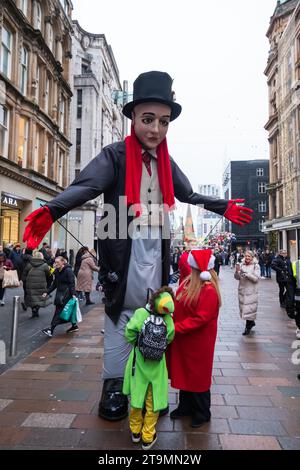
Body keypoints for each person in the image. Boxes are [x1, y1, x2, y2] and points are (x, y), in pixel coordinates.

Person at [23, 71, 253, 421]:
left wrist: (221, 206)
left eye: (163, 122)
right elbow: (86, 185)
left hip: (155, 251)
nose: (156, 130)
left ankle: (149, 390)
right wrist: (53, 208)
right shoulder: (114, 156)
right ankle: (113, 387)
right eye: (148, 120)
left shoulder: (166, 161)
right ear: (133, 117)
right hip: (122, 249)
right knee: (119, 321)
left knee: (154, 322)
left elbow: (186, 193)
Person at [167, 249, 221, 428]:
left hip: (198, 341)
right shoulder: (189, 282)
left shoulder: (209, 290)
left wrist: (176, 328)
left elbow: (200, 319)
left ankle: (202, 412)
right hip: (184, 338)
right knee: (185, 373)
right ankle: (186, 407)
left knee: (197, 376)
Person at [122, 287, 175, 450]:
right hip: (157, 366)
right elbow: (171, 336)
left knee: (137, 398)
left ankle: (136, 432)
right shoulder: (168, 318)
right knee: (153, 402)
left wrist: (138, 345)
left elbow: (129, 332)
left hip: (138, 362)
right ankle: (148, 436)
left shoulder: (140, 313)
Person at [41, 256, 77, 337]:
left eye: (57, 262)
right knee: (67, 311)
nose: (55, 264)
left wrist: (74, 294)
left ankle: (51, 330)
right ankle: (74, 326)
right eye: (55, 262)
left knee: (58, 312)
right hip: (60, 294)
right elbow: (54, 284)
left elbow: (72, 283)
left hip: (67, 295)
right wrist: (47, 292)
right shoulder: (57, 271)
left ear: (63, 262)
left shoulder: (68, 271)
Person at [234, 250, 260, 335]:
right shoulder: (241, 265)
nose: (247, 258)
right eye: (246, 256)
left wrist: (246, 274)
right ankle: (251, 323)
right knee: (244, 310)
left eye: (249, 256)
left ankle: (248, 327)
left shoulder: (256, 266)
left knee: (249, 310)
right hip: (242, 290)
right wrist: (237, 271)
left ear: (252, 257)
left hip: (251, 291)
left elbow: (256, 278)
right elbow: (237, 278)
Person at [22, 251, 51, 318]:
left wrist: (25, 282)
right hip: (41, 284)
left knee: (32, 298)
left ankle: (33, 310)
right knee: (39, 298)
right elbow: (48, 275)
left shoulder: (29, 264)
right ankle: (37, 309)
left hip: (30, 285)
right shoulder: (45, 265)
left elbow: (24, 275)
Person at [271, 250, 294, 315]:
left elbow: (290, 267)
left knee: (289, 290)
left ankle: (284, 300)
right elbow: (273, 265)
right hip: (281, 278)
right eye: (283, 253)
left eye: (285, 253)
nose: (284, 254)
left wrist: (291, 275)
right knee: (282, 290)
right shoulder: (277, 259)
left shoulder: (288, 259)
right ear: (280, 253)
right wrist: (280, 270)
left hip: (288, 278)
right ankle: (282, 302)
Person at [291, 258, 300, 339]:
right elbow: (292, 282)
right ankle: (299, 328)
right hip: (298, 293)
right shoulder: (295, 264)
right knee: (299, 312)